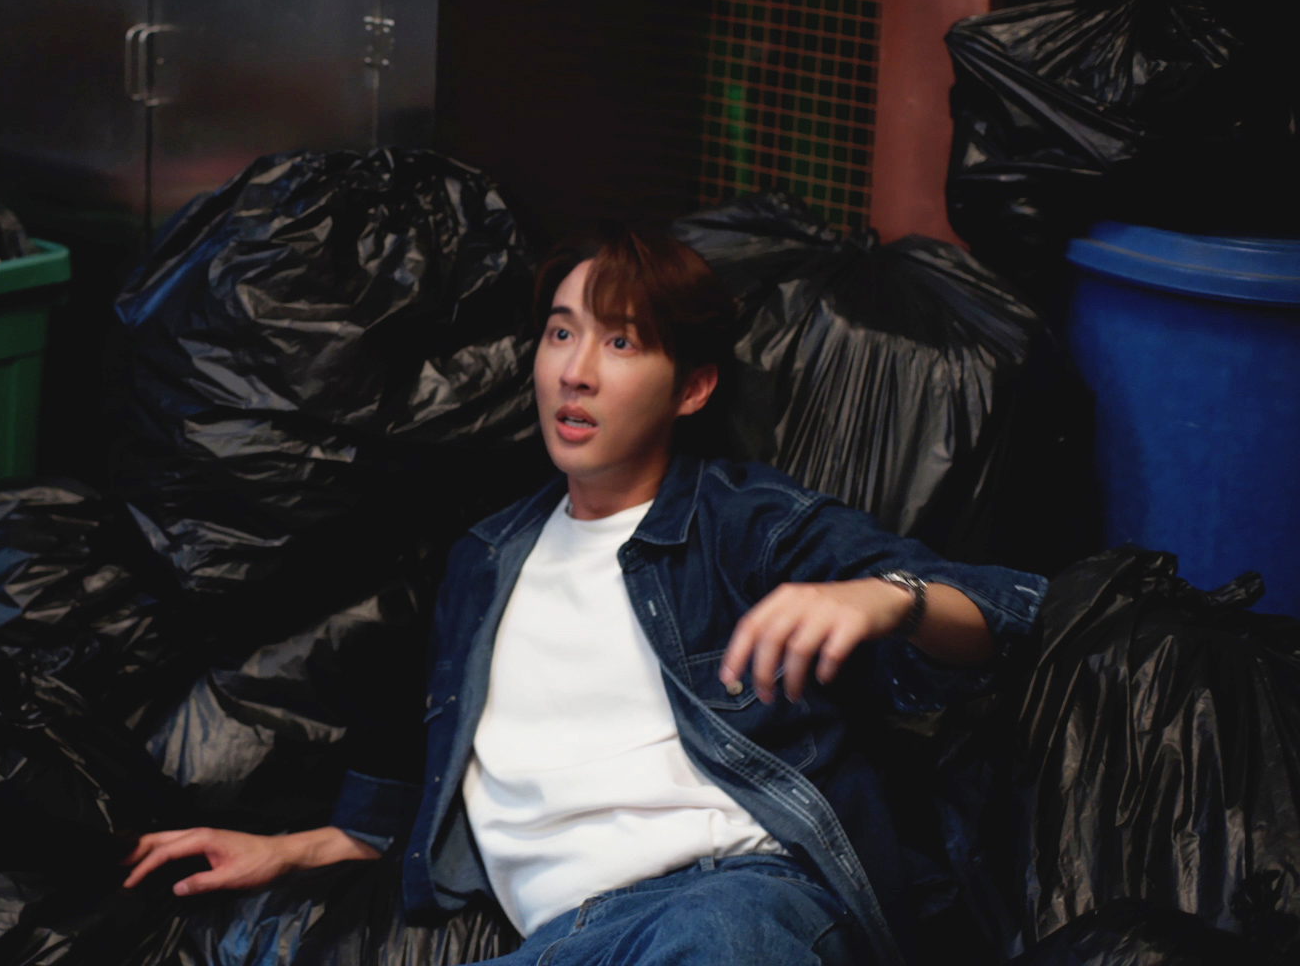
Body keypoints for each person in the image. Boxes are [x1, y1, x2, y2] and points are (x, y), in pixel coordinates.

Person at [121, 226, 1046, 965]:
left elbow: (1010, 614)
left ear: (693, 388)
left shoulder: (743, 524)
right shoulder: (485, 560)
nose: (576, 370)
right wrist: (290, 849)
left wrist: (886, 600)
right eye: (562, 332)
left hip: (733, 906)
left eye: (621, 342)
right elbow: (422, 779)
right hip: (568, 940)